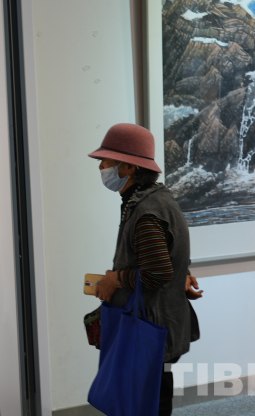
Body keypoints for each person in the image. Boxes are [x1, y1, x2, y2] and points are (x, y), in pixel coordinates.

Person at [89, 123, 201, 416]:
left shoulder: (146, 212)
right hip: (159, 324)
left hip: (150, 327)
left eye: (106, 161)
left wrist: (114, 279)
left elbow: (157, 273)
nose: (101, 167)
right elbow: (168, 255)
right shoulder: (154, 199)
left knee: (148, 404)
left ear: (128, 167)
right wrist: (182, 274)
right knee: (151, 399)